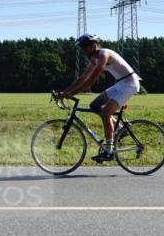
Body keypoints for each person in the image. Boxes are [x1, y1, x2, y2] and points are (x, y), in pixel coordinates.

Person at [59, 34, 142, 162]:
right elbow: (83, 78)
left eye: (86, 46)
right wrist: (65, 92)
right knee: (95, 105)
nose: (84, 49)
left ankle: (109, 150)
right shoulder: (94, 59)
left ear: (94, 45)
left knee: (105, 113)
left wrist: (73, 93)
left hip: (129, 84)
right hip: (120, 84)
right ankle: (120, 129)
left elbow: (92, 80)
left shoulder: (104, 55)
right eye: (82, 47)